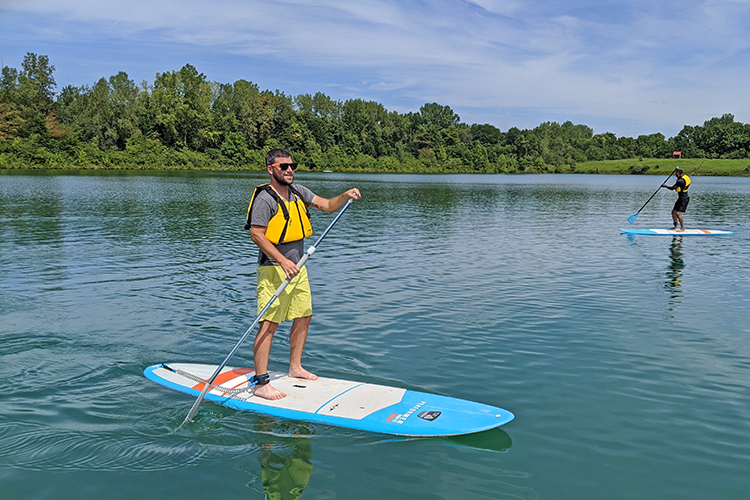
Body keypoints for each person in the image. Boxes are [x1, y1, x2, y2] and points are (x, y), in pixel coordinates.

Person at [244, 148, 361, 400]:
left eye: (292, 165)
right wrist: (283, 260)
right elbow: (257, 235)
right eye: (283, 166)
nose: (289, 170)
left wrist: (345, 195)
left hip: (299, 268)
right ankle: (261, 383)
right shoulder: (265, 198)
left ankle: (295, 367)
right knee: (269, 324)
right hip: (273, 269)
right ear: (271, 169)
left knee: (303, 316)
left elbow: (328, 206)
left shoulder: (299, 192)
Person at [661, 167, 691, 232]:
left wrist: (665, 186)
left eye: (677, 175)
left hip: (684, 199)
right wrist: (676, 170)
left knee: (678, 213)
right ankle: (676, 226)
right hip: (680, 198)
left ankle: (682, 228)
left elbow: (672, 188)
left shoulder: (680, 181)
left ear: (680, 174)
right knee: (673, 212)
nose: (676, 176)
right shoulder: (684, 177)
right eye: (676, 175)